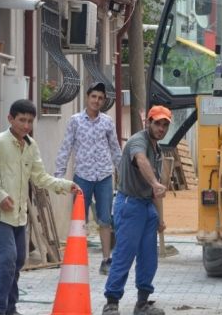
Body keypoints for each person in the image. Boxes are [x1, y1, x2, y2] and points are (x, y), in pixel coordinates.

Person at [0, 99, 78, 315]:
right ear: (10, 119)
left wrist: (66, 185)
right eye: (22, 120)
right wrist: (0, 195)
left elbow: (40, 177)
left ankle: (10, 308)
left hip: (20, 215)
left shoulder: (31, 146)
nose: (26, 125)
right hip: (0, 214)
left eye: (30, 121)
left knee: (18, 260)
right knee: (7, 260)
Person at [102, 105, 170, 315]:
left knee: (149, 257)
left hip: (147, 207)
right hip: (130, 205)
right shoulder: (138, 141)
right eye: (157, 123)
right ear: (148, 122)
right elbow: (141, 161)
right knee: (124, 254)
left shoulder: (157, 148)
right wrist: (154, 184)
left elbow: (156, 189)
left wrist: (160, 218)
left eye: (165, 125)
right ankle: (111, 303)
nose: (161, 128)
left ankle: (142, 303)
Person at [56, 81, 122, 275]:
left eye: (100, 98)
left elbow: (115, 148)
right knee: (79, 220)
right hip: (82, 177)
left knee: (104, 220)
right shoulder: (75, 120)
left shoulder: (107, 122)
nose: (97, 100)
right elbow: (66, 147)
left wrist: (123, 173)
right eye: (94, 96)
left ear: (103, 101)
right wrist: (58, 175)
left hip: (103, 175)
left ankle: (106, 259)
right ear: (87, 98)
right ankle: (78, 261)